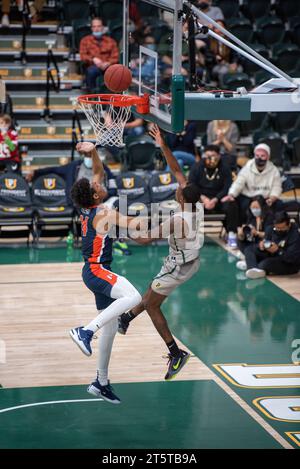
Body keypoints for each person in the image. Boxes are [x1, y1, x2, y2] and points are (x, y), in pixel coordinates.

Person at [118, 124, 203, 381]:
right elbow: (177, 170)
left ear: (180, 198)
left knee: (154, 305)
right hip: (187, 260)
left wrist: (122, 229)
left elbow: (144, 240)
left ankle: (176, 352)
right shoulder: (195, 205)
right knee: (151, 294)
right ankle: (126, 318)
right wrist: (162, 144)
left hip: (179, 266)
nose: (177, 187)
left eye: (178, 189)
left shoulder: (178, 220)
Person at [69, 141, 142, 404]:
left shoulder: (88, 205)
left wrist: (94, 151)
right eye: (96, 185)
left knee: (110, 328)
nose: (98, 181)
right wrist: (171, 221)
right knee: (133, 298)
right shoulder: (103, 212)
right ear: (97, 196)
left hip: (94, 270)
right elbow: (134, 224)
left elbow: (98, 172)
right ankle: (86, 331)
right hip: (97, 270)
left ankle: (101, 381)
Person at [188, 144, 239, 248]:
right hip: (201, 198)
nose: (210, 158)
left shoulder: (225, 168)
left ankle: (231, 234)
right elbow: (191, 185)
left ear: (219, 156)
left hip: (219, 198)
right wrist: (203, 198)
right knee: (187, 203)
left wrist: (215, 199)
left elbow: (227, 186)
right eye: (207, 155)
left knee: (231, 204)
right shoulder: (197, 167)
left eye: (213, 155)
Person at [26, 151, 117, 208]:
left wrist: (106, 195)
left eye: (91, 155)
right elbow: (54, 169)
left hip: (103, 200)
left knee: (121, 202)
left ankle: (120, 235)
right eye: (87, 155)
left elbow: (113, 187)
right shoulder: (74, 166)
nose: (89, 158)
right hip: (83, 203)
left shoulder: (104, 168)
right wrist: (35, 172)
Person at [222, 143, 283, 224]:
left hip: (267, 198)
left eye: (262, 156)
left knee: (278, 206)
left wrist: (272, 198)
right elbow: (238, 183)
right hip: (248, 197)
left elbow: (277, 187)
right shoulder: (247, 168)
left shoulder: (274, 170)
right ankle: (242, 228)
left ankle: (269, 230)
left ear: (268, 157)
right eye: (257, 156)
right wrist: (231, 194)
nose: (259, 158)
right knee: (236, 205)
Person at [242, 211, 300, 279]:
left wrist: (278, 250)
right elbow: (265, 241)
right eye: (277, 228)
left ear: (289, 224)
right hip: (272, 256)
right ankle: (254, 268)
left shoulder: (295, 235)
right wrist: (261, 246)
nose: (279, 230)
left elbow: (292, 258)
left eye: (282, 228)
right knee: (249, 249)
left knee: (265, 264)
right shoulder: (270, 229)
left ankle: (251, 265)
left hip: (288, 263)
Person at [79, 17, 119, 91]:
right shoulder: (85, 40)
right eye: (94, 26)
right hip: (93, 66)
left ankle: (111, 96)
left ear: (103, 27)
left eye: (99, 26)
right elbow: (83, 56)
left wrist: (108, 63)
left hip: (108, 66)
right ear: (91, 28)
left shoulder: (111, 41)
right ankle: (92, 95)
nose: (96, 29)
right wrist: (93, 59)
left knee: (115, 72)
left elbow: (115, 57)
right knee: (91, 72)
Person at [236, 195, 274, 271]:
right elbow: (248, 234)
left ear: (262, 207)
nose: (254, 210)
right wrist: (241, 234)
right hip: (255, 243)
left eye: (257, 207)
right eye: (252, 207)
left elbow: (269, 235)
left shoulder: (269, 217)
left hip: (265, 245)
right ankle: (250, 259)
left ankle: (253, 267)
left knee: (249, 249)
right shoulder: (252, 218)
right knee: (239, 240)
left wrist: (257, 233)